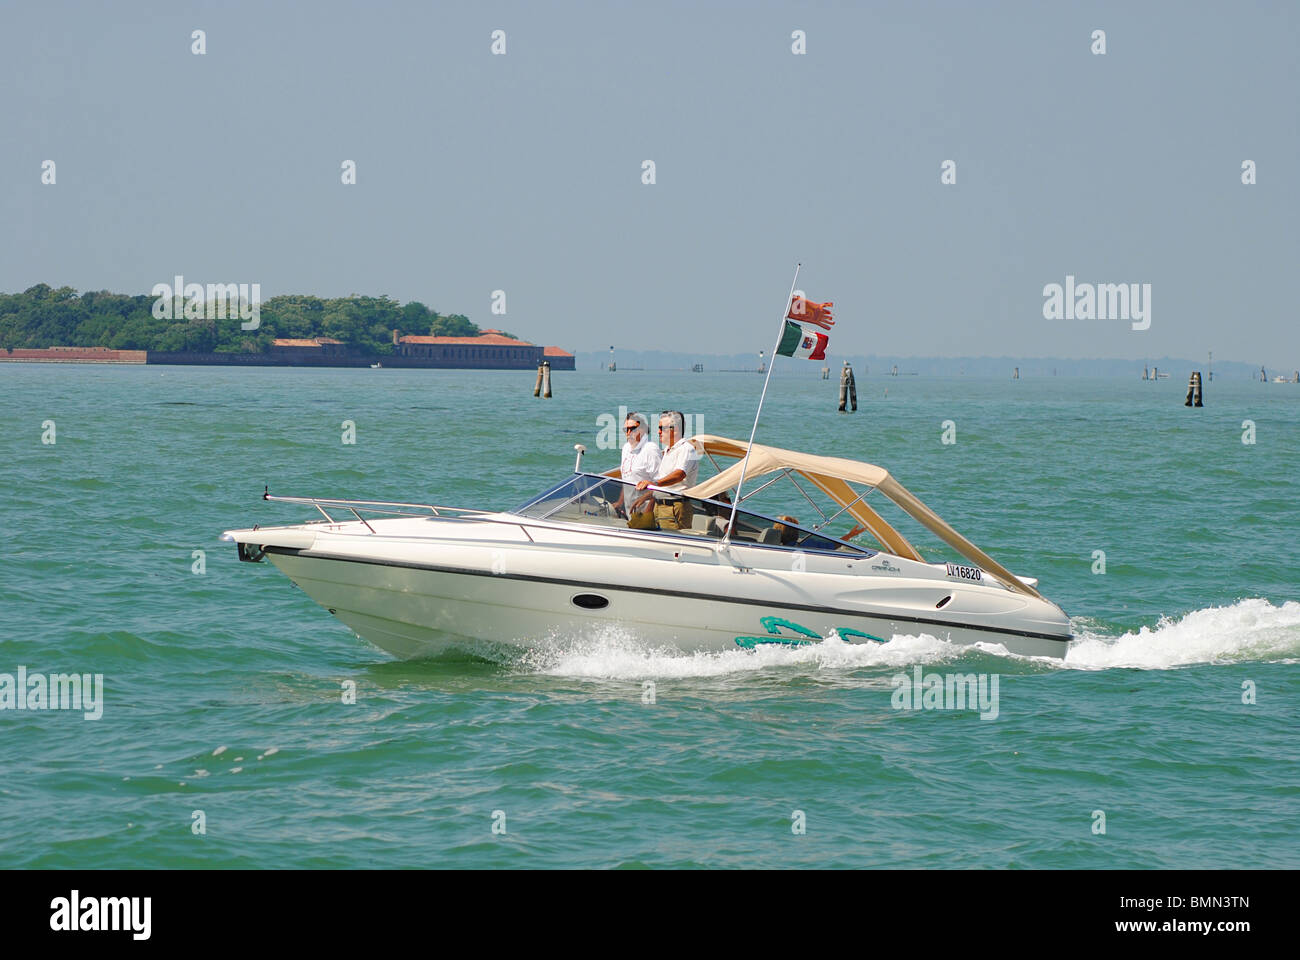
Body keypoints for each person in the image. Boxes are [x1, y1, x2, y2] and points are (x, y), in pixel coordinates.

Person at [636, 411, 701, 531]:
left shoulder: (687, 449)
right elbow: (665, 482)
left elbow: (679, 474)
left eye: (661, 428)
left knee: (674, 545)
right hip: (659, 506)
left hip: (674, 508)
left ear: (674, 429)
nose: (658, 432)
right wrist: (647, 496)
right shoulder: (667, 450)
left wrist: (654, 484)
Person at [613, 412, 661, 528]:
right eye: (626, 429)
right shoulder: (625, 448)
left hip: (646, 512)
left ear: (643, 429)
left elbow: (659, 484)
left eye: (633, 429)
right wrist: (620, 502)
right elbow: (627, 477)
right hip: (630, 510)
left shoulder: (651, 449)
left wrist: (648, 512)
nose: (629, 433)